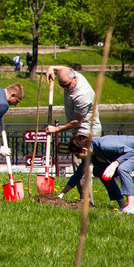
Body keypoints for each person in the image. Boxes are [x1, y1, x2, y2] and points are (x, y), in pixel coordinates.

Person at [45, 65, 102, 204]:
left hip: (87, 131)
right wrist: (51, 68)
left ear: (74, 79)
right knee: (79, 165)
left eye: (67, 85)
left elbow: (76, 122)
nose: (65, 88)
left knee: (82, 165)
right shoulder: (70, 75)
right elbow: (65, 68)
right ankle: (84, 198)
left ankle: (87, 201)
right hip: (78, 130)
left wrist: (56, 129)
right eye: (61, 85)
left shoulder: (82, 95)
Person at [58, 134, 134, 215]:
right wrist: (61, 195)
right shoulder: (92, 154)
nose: (77, 157)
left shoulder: (104, 145)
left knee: (123, 168)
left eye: (77, 155)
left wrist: (114, 164)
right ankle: (123, 206)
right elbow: (77, 175)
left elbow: (130, 151)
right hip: (132, 152)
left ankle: (131, 207)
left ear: (84, 150)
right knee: (100, 171)